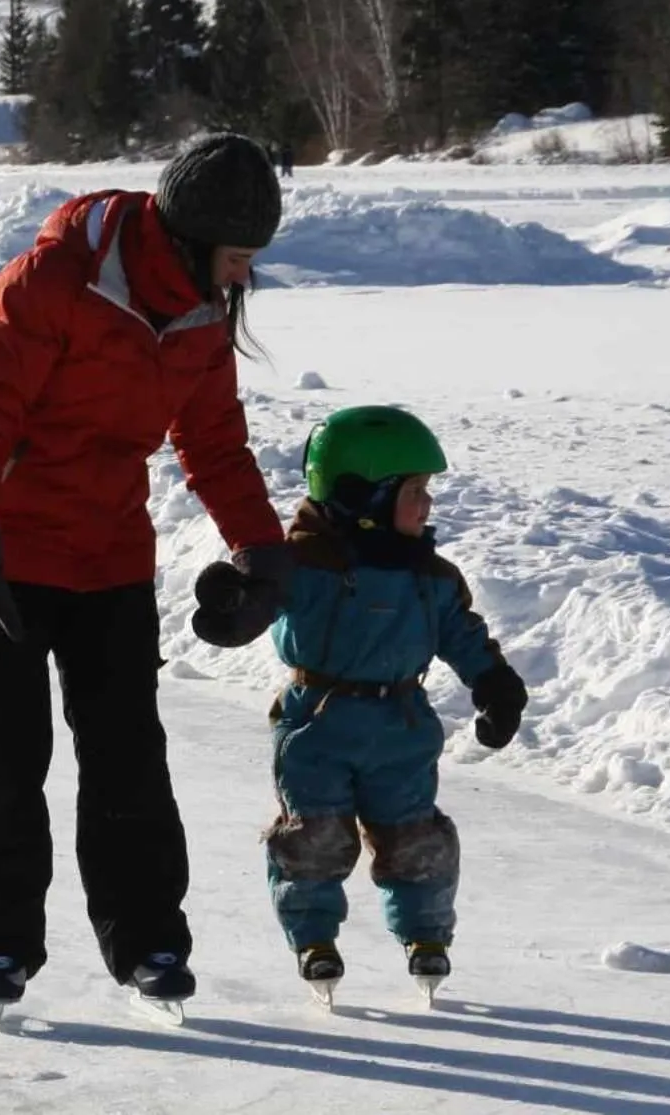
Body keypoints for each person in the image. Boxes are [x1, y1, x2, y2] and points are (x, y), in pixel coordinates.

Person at [0, 133, 289, 1012]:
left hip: (106, 554)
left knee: (129, 757)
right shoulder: (53, 281)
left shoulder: (200, 313)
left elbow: (215, 445)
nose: (242, 279)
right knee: (3, 758)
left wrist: (262, 553)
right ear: (193, 241)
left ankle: (150, 941)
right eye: (236, 259)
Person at [190, 406, 528, 998]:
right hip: (316, 725)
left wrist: (494, 683)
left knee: (416, 836)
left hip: (401, 725)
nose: (427, 505)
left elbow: (463, 633)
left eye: (427, 491)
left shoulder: (432, 577)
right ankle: (314, 936)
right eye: (414, 491)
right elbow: (255, 607)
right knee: (315, 837)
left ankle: (426, 935)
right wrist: (228, 605)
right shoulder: (303, 565)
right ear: (361, 498)